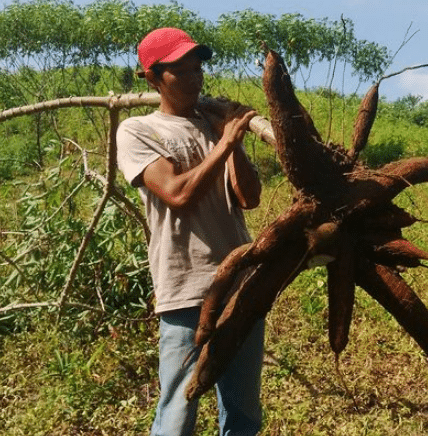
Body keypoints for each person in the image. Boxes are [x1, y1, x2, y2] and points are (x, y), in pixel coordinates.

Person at [116, 27, 264, 436]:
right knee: (178, 412)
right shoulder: (138, 130)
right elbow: (177, 194)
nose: (195, 78)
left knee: (243, 414)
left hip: (241, 286)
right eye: (181, 71)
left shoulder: (215, 127)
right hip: (186, 290)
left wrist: (229, 141)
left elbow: (249, 198)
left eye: (198, 68)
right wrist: (225, 142)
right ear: (152, 76)